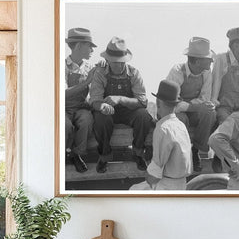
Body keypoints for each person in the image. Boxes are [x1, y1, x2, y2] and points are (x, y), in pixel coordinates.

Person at [89, 36, 155, 174]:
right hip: (107, 111)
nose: (119, 65)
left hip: (128, 111)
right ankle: (104, 156)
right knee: (100, 119)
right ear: (107, 60)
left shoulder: (134, 73)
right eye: (115, 62)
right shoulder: (100, 73)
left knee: (143, 116)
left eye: (121, 62)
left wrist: (120, 99)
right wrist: (102, 107)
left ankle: (137, 153)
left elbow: (142, 102)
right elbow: (95, 100)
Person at [166, 36, 217, 172]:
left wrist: (195, 106)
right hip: (174, 112)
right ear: (197, 61)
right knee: (180, 119)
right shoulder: (177, 71)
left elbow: (205, 97)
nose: (212, 61)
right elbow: (172, 103)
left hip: (190, 109)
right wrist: (194, 106)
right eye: (208, 58)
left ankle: (196, 150)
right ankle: (180, 154)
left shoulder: (206, 72)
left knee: (210, 113)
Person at [144, 80, 193, 190]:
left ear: (158, 102)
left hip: (166, 185)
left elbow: (155, 174)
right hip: (182, 183)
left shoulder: (163, 128)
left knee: (133, 190)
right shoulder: (181, 125)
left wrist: (148, 178)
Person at [65, 27, 96, 173]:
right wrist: (86, 81)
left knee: (86, 120)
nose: (92, 50)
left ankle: (76, 154)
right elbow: (62, 94)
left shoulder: (90, 66)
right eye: (90, 46)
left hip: (81, 107)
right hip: (62, 107)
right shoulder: (62, 66)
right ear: (78, 46)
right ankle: (63, 153)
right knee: (65, 126)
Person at [211, 26, 239, 123]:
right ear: (236, 46)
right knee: (226, 123)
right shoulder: (221, 58)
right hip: (224, 107)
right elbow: (216, 82)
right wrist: (214, 102)